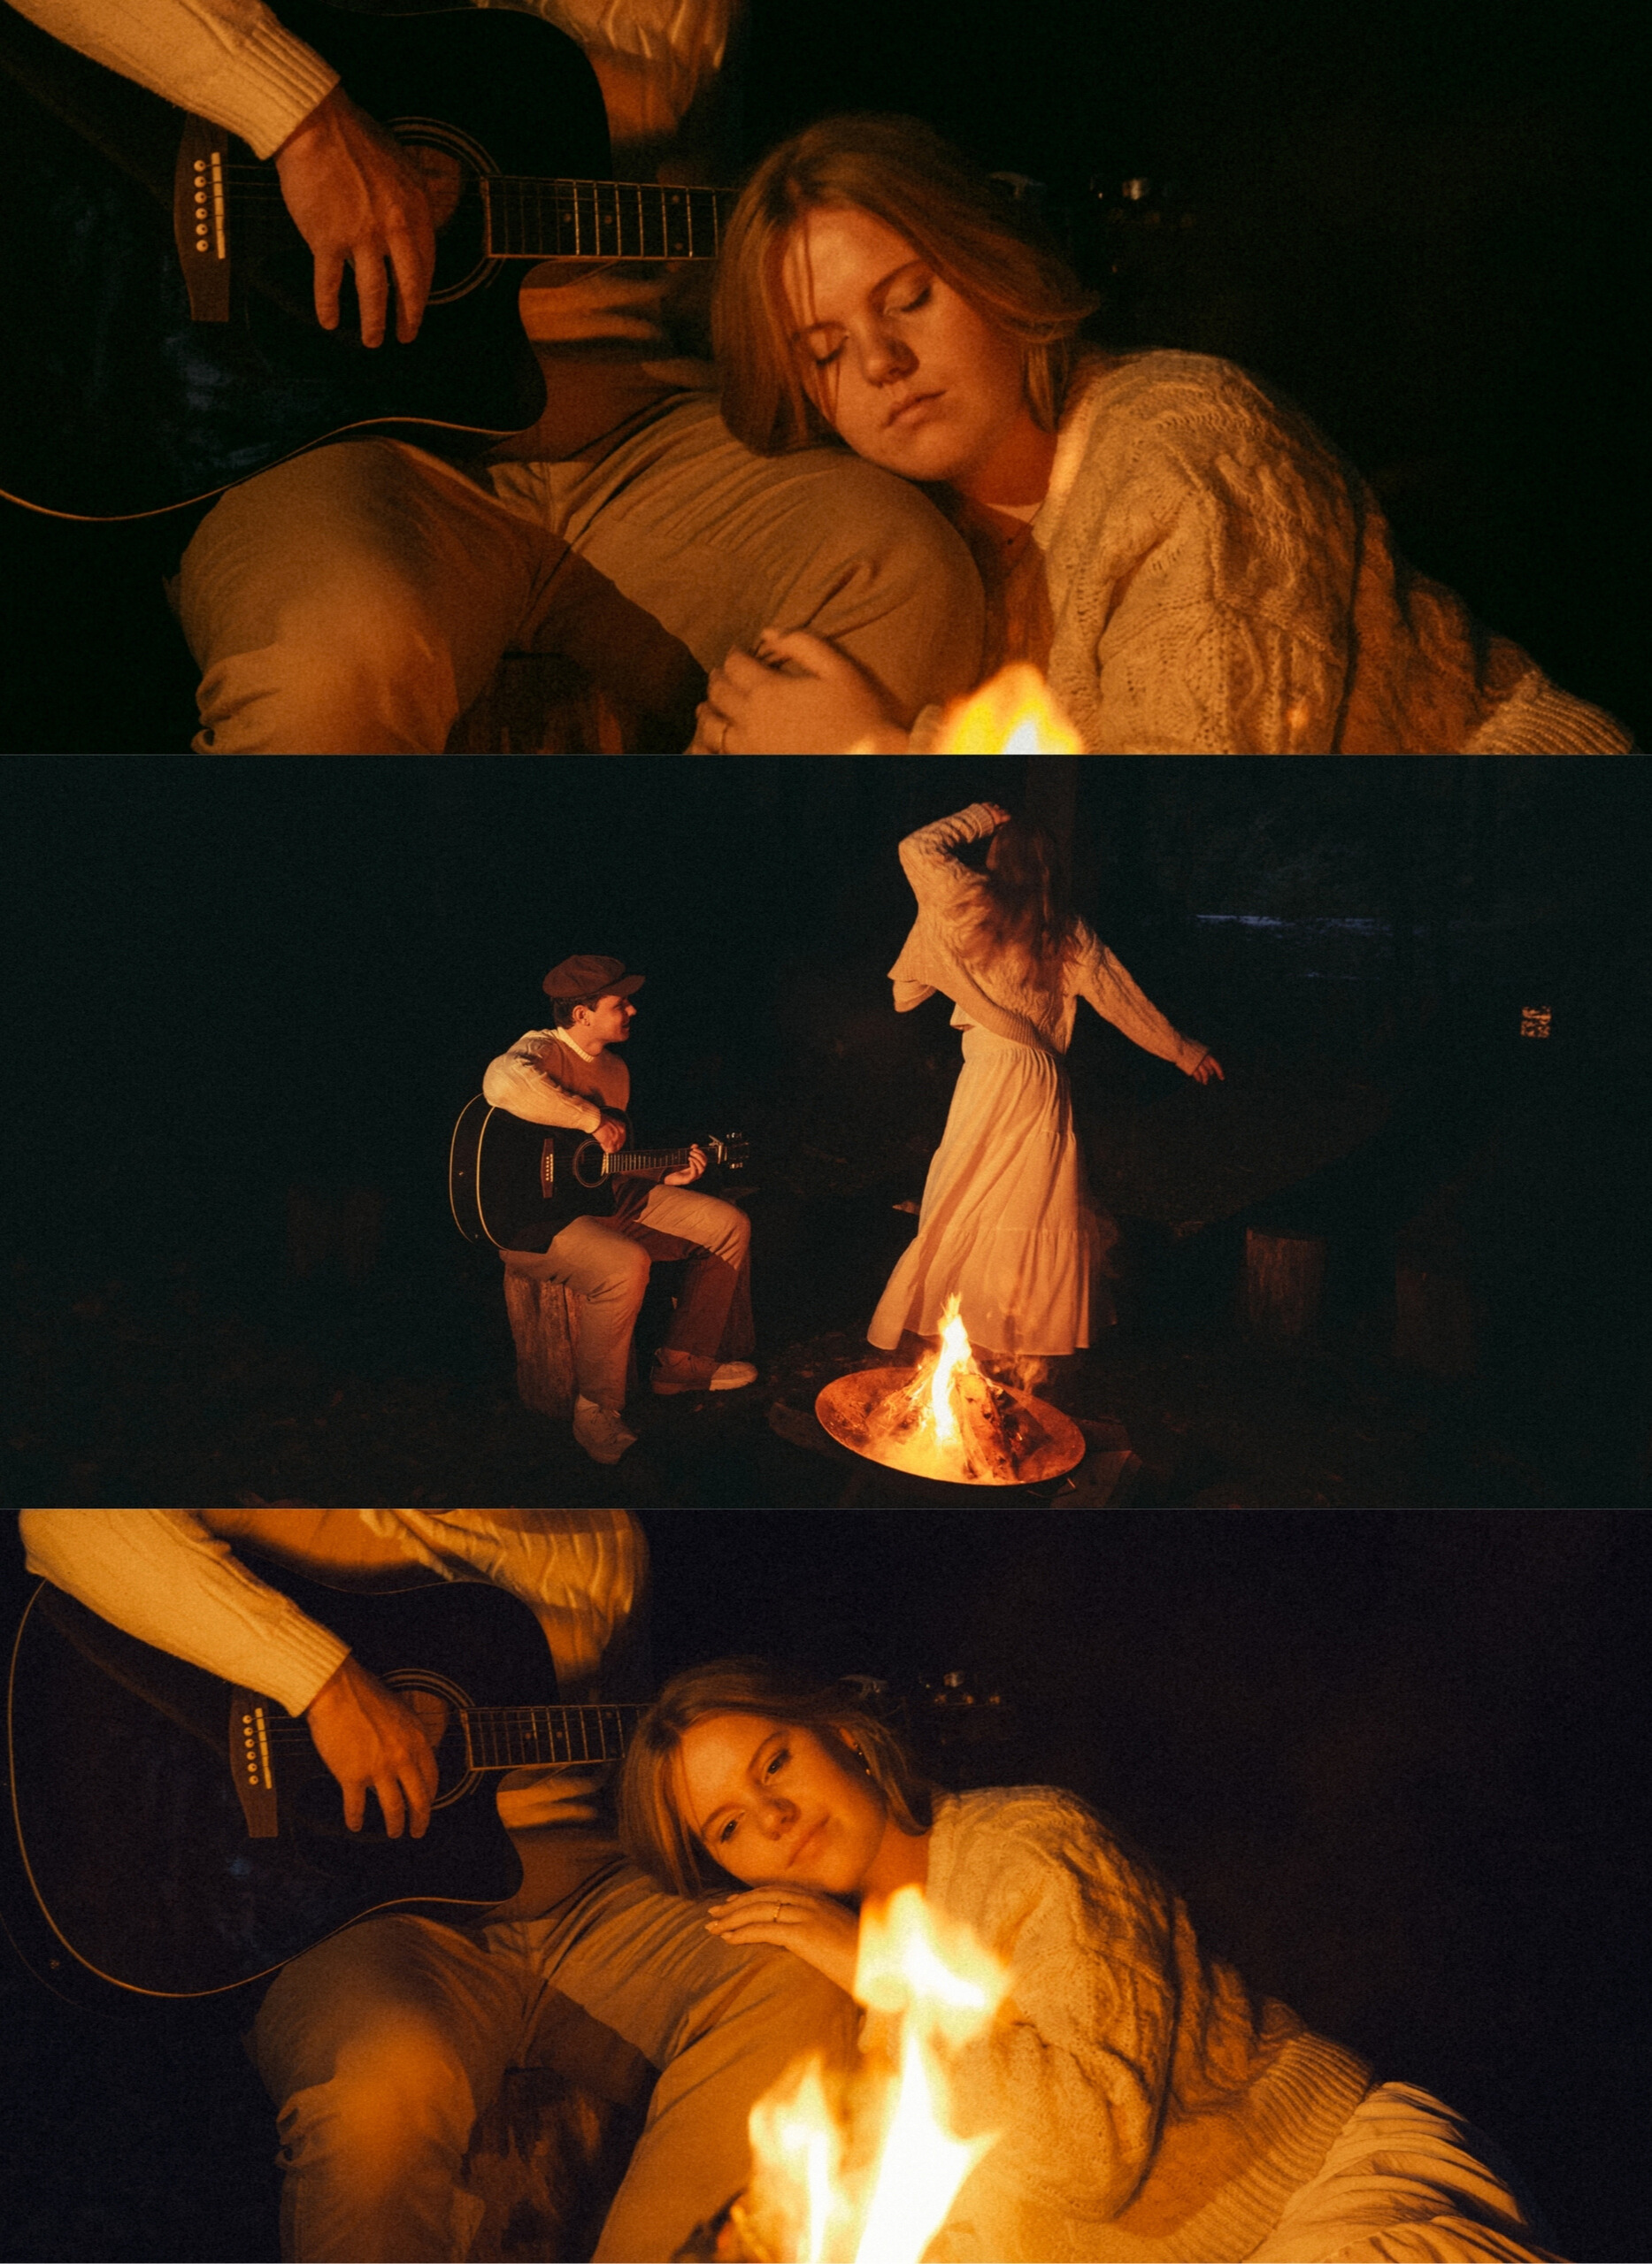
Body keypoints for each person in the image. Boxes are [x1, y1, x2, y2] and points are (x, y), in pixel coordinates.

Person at [5, 2, 984, 751]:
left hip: (639, 428)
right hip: (320, 441)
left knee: (896, 569)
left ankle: (721, 945)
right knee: (328, 670)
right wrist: (301, 120)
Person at [14, 1511, 864, 2264]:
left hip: (584, 1891)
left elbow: (632, 1755)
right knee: (377, 2087)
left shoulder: (601, 1535)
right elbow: (64, 1519)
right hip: (360, 1917)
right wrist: (323, 1685)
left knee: (793, 1979)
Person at [692, 111, 1633, 755]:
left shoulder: (1187, 442)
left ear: (993, 266)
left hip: (1536, 878)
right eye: (822, 352)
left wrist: (878, 754)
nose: (879, 362)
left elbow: (1196, 833)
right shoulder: (915, 545)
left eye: (909, 299)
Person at [618, 1655, 1564, 2264]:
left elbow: (1088, 2154)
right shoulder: (877, 2008)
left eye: (773, 1762)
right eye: (730, 1826)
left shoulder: (1027, 1847)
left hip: (1343, 2196)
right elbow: (987, 2215)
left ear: (846, 1737)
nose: (772, 1819)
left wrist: (876, 1974)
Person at [867, 800, 1220, 1369]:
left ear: (996, 857)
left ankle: (976, 1335)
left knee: (966, 1195)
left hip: (994, 1067)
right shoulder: (1065, 929)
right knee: (1027, 1204)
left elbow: (916, 849)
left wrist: (980, 815)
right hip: (1043, 1081)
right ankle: (1010, 1338)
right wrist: (1183, 1051)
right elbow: (1122, 999)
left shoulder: (972, 902)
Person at [482, 952, 757, 1466]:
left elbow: (601, 1163)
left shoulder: (616, 1070)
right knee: (624, 1264)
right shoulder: (542, 1048)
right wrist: (587, 1117)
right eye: (620, 1003)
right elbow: (501, 1082)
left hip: (606, 1197)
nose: (632, 1011)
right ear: (582, 1014)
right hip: (537, 1220)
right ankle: (595, 1408)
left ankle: (681, 1363)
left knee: (728, 1224)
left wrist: (665, 1174)